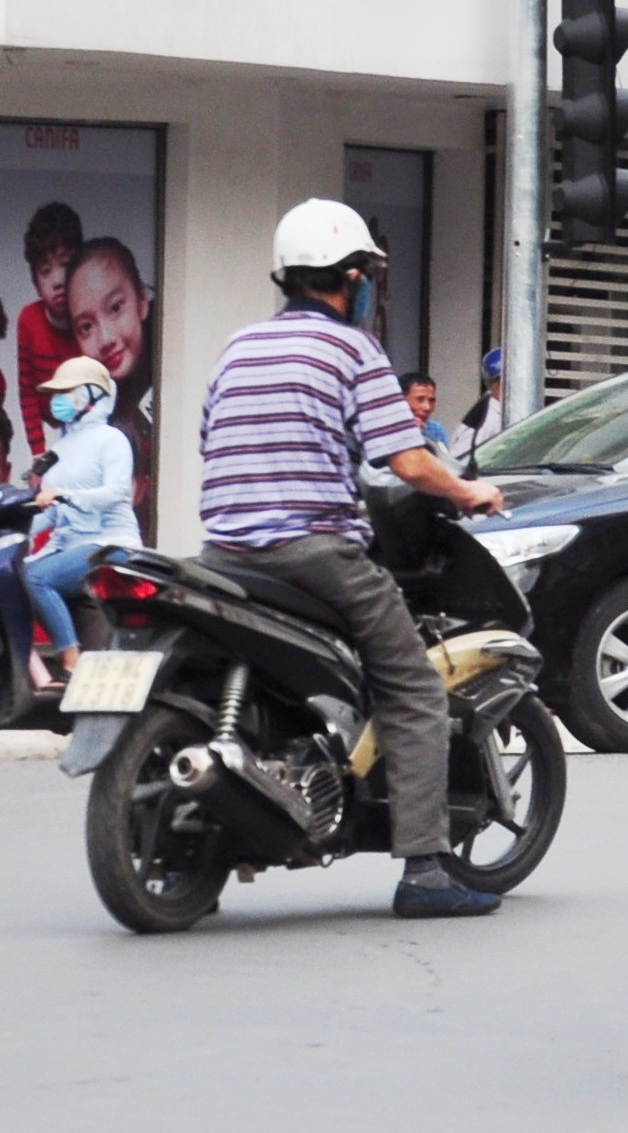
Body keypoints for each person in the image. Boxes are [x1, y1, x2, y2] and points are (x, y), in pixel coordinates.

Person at [197, 199, 508, 919]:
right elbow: (406, 459)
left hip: (222, 551)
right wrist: (466, 491)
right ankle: (427, 868)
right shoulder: (353, 351)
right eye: (368, 276)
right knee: (416, 686)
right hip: (313, 553)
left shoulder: (237, 346)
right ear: (353, 278)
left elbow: (214, 439)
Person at [22, 356, 139, 684]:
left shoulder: (112, 439)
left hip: (110, 544)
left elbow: (115, 493)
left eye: (67, 391)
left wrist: (65, 495)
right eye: (57, 393)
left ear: (94, 393)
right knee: (16, 577)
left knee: (36, 579)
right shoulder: (61, 448)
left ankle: (69, 659)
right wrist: (18, 528)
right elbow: (51, 510)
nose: (58, 400)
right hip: (70, 548)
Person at [16, 202, 83, 475]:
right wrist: (38, 453)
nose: (57, 280)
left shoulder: (89, 316)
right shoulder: (29, 321)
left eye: (65, 266)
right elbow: (28, 393)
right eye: (46, 271)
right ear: (35, 282)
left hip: (83, 417)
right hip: (49, 412)